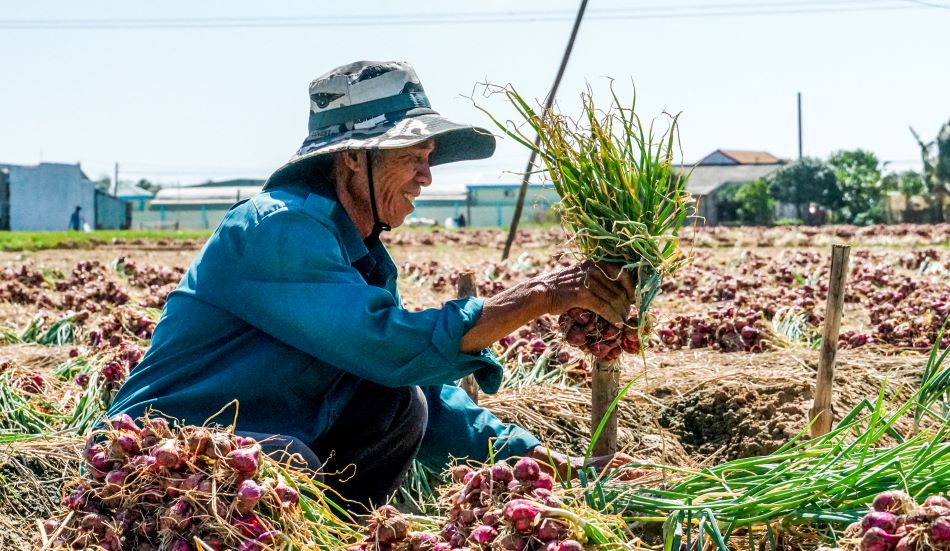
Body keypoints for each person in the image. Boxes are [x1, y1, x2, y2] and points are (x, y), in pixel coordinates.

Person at [106, 61, 636, 510]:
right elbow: (385, 344)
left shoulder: (358, 254)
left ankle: (337, 535)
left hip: (266, 432)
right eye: (412, 156)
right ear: (352, 157)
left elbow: (419, 384)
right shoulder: (277, 228)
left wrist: (550, 465)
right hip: (167, 445)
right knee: (287, 463)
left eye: (428, 158)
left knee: (399, 403)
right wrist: (539, 296)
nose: (426, 177)